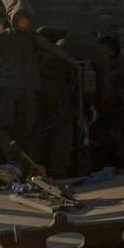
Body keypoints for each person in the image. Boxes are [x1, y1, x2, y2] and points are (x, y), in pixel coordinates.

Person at [0, 21, 77, 164]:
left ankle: (11, 153)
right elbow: (52, 47)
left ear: (1, 29)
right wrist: (74, 61)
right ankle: (28, 168)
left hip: (8, 88)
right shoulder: (31, 36)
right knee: (26, 132)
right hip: (30, 90)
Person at [34, 25, 112, 177]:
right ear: (107, 47)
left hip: (38, 79)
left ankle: (31, 168)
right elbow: (105, 94)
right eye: (111, 55)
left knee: (38, 126)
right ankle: (58, 173)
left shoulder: (76, 33)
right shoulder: (100, 55)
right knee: (63, 129)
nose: (109, 59)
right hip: (57, 84)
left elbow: (43, 30)